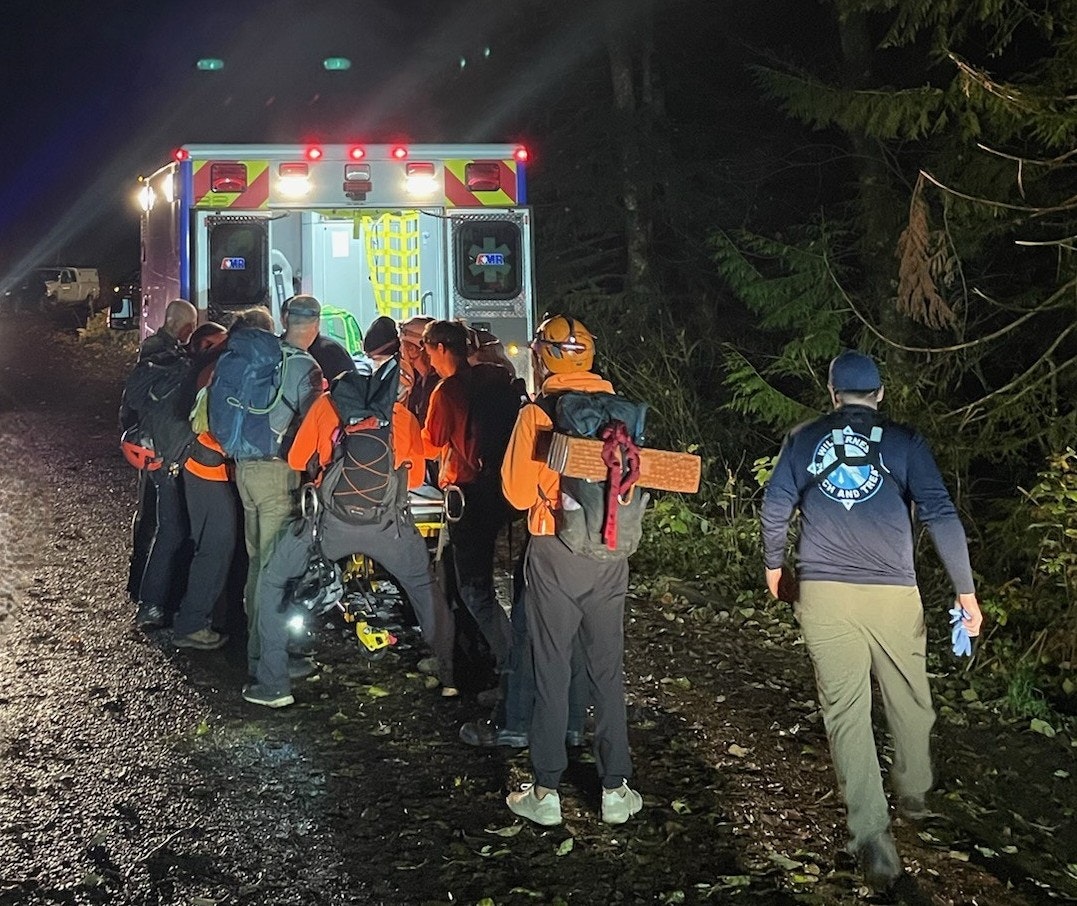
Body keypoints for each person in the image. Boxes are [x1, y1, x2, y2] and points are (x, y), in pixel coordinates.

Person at [760, 349, 984, 894]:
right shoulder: (905, 443)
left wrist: (774, 569)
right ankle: (913, 787)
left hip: (824, 595)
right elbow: (941, 516)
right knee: (911, 699)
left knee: (846, 715)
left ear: (833, 394)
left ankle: (873, 840)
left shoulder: (804, 438)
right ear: (879, 395)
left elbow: (774, 507)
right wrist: (966, 593)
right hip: (892, 596)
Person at [242, 317, 457, 707]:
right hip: (389, 525)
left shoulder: (327, 406)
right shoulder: (399, 415)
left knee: (274, 580)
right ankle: (449, 675)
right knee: (424, 587)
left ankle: (273, 685)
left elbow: (295, 458)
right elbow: (413, 473)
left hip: (329, 526)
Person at [501, 315, 642, 827]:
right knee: (607, 668)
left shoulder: (538, 414)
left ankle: (546, 790)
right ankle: (616, 788)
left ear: (543, 356)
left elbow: (517, 493)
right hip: (612, 553)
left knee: (552, 667)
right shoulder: (621, 411)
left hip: (554, 550)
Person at [231, 295, 324, 679]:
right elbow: (313, 427)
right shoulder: (307, 367)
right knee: (275, 572)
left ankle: (256, 649)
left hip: (244, 469)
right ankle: (267, 662)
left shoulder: (263, 354)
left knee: (258, 565)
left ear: (285, 319)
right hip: (276, 474)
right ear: (315, 326)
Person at [420, 320, 515, 687]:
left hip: (465, 496)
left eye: (429, 350)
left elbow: (432, 441)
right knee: (466, 581)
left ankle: (511, 664)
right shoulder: (485, 382)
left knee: (475, 589)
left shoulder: (446, 391)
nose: (427, 358)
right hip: (492, 491)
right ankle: (472, 658)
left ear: (442, 348)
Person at [125, 299, 198, 614]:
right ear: (185, 326)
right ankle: (150, 599)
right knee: (167, 525)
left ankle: (140, 585)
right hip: (162, 452)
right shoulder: (168, 357)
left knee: (152, 520)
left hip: (149, 446)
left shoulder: (153, 351)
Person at [171, 322, 237, 650]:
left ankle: (195, 619)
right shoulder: (220, 367)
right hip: (208, 466)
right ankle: (192, 624)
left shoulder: (204, 366)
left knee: (210, 544)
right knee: (216, 546)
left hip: (197, 463)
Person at [283, 296, 356, 383]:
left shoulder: (271, 350)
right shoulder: (332, 352)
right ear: (317, 323)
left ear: (285, 319)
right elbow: (353, 391)